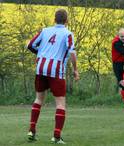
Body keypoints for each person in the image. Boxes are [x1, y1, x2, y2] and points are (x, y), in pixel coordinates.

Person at [27, 8, 79, 144]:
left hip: (41, 68)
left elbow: (31, 45)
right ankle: (56, 136)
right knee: (60, 103)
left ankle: (31, 130)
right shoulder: (68, 33)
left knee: (38, 99)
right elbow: (72, 52)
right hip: (56, 71)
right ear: (67, 20)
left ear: (54, 19)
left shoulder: (45, 31)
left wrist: (40, 54)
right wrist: (75, 69)